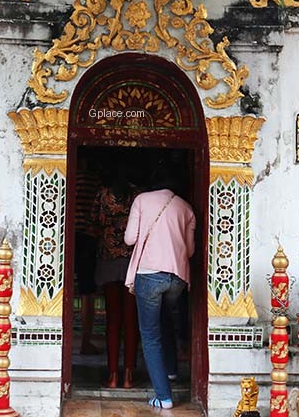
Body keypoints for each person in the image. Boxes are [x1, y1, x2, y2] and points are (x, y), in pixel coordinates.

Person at [124, 172, 195, 409]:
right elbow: (190, 251)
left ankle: (164, 397)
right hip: (177, 277)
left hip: (149, 274)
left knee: (150, 336)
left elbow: (129, 239)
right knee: (165, 317)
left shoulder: (142, 200)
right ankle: (171, 370)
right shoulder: (186, 208)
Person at [93, 165, 139, 388]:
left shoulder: (102, 195)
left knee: (113, 320)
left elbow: (94, 223)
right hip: (132, 261)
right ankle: (128, 376)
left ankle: (112, 376)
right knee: (131, 320)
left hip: (108, 260)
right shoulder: (136, 195)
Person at [74, 156, 101, 355]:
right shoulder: (93, 181)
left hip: (65, 238)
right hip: (87, 238)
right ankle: (85, 341)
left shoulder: (67, 176)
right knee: (87, 292)